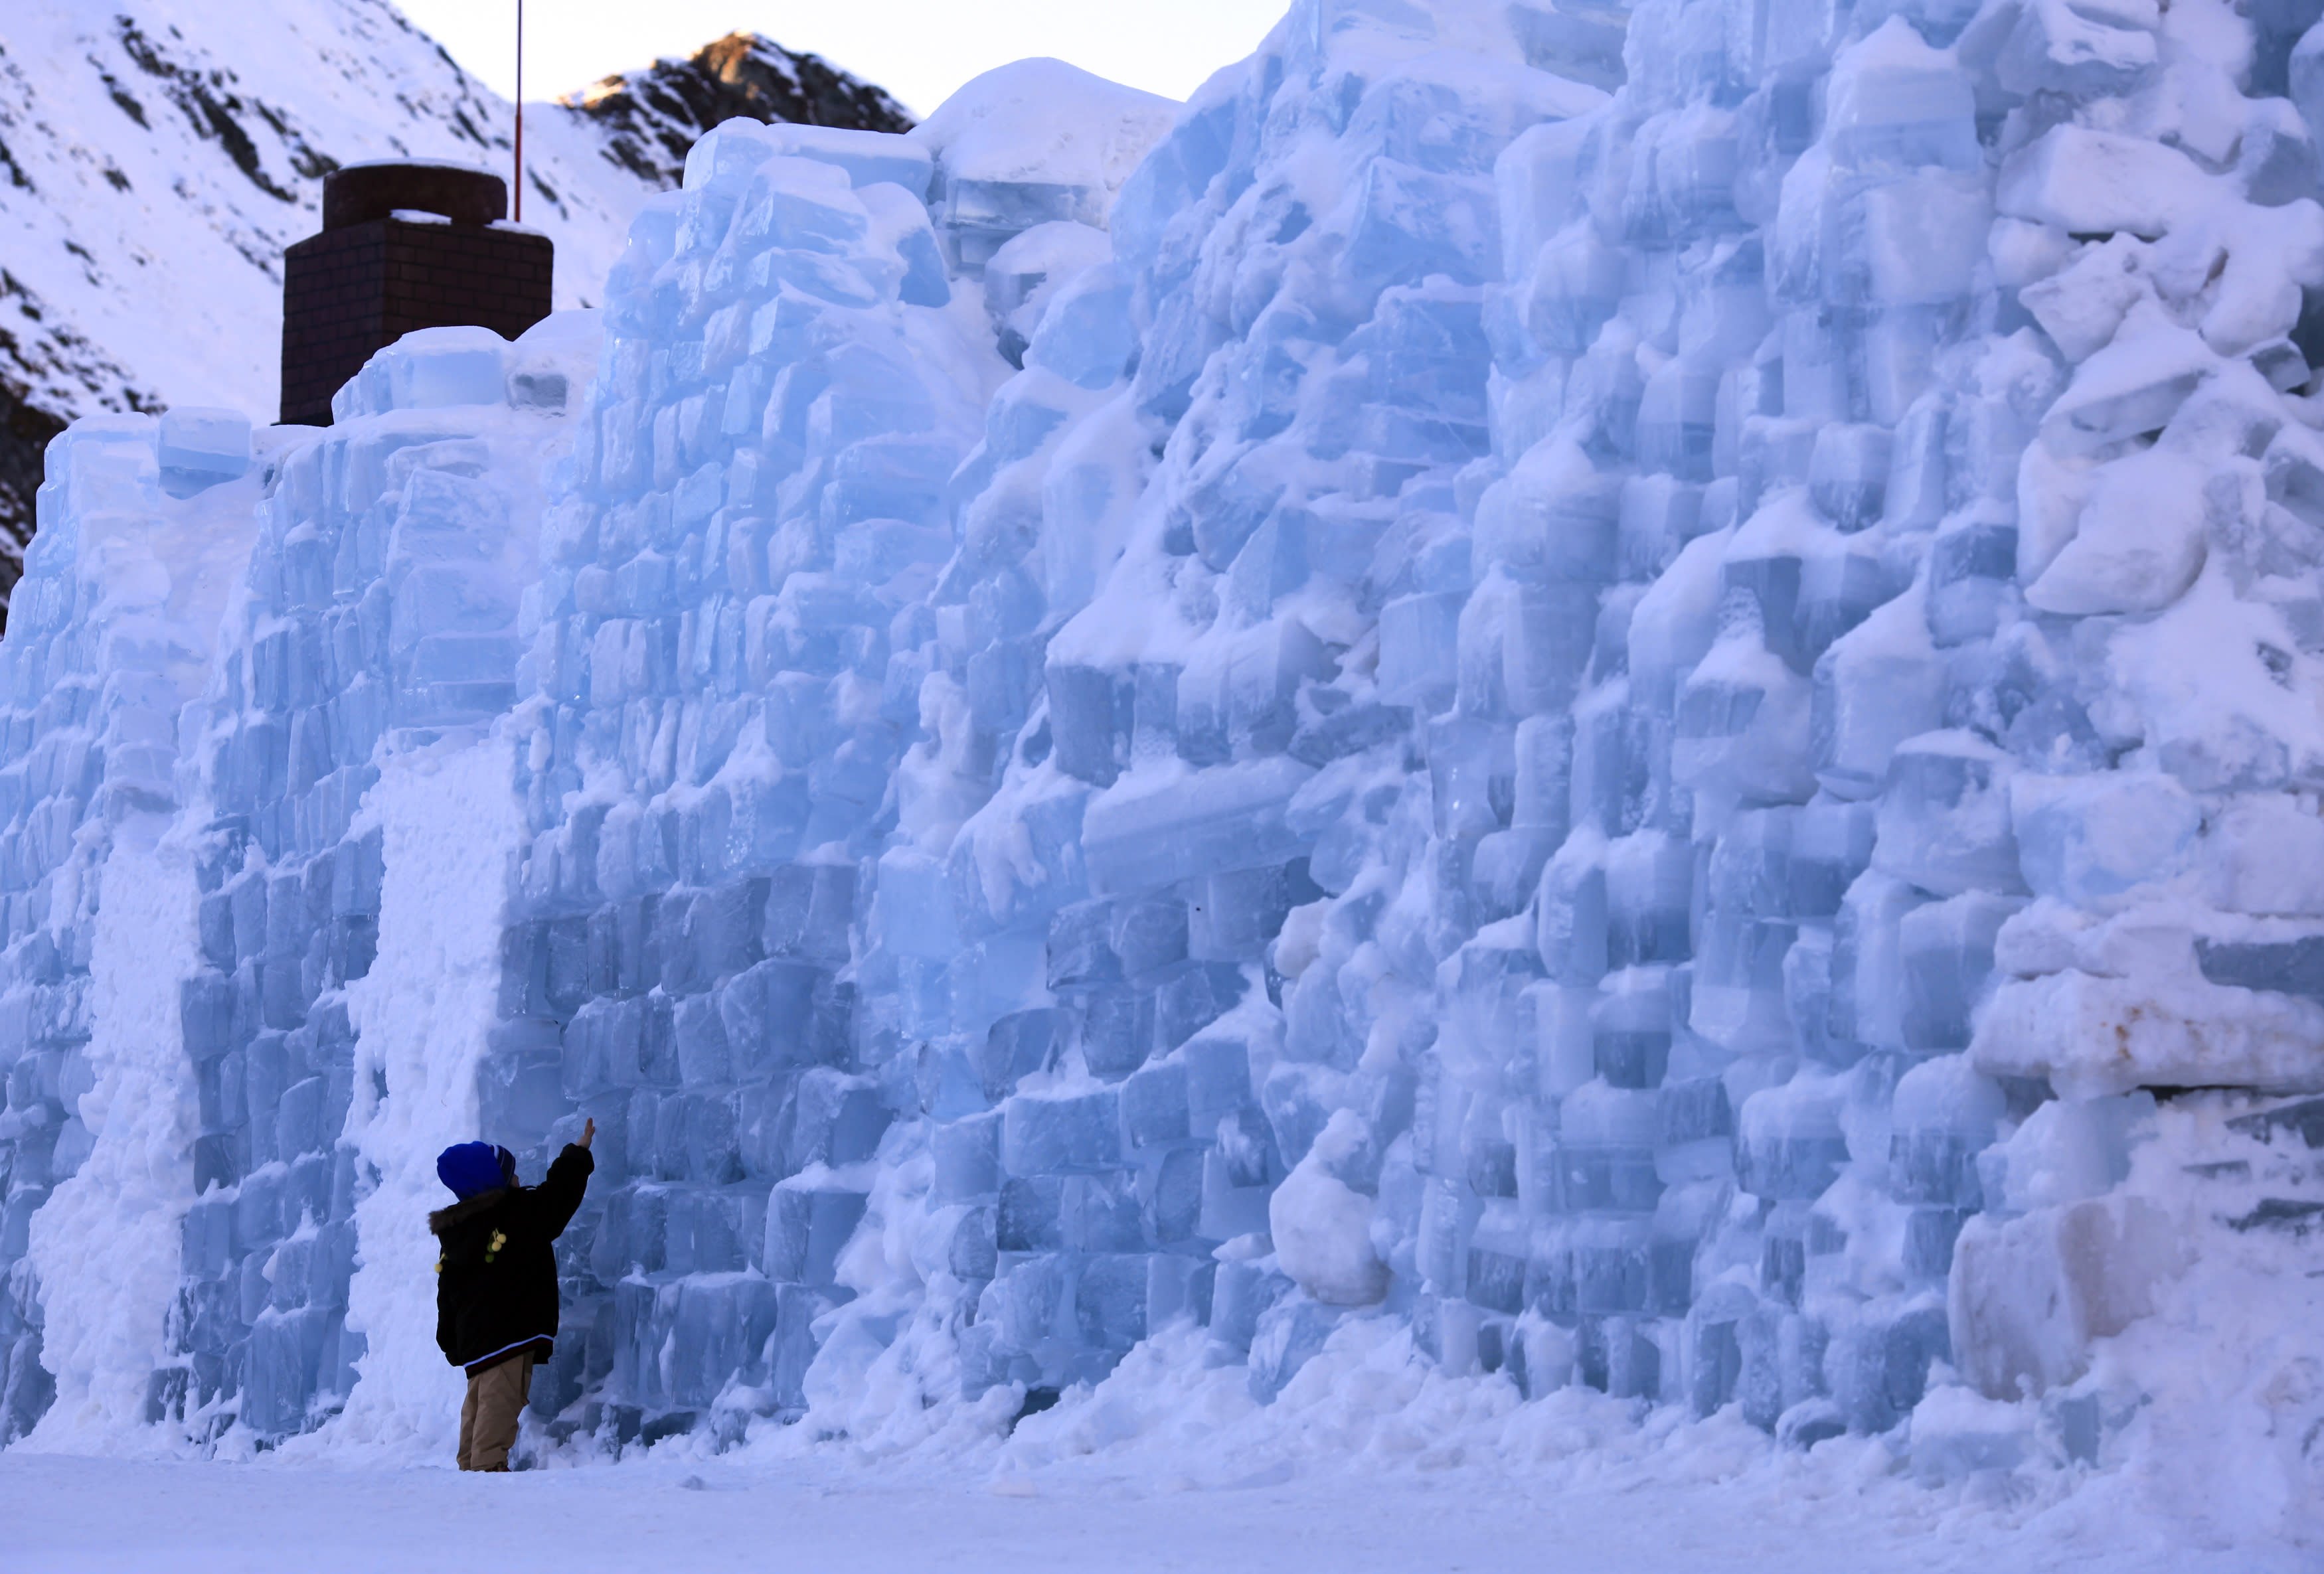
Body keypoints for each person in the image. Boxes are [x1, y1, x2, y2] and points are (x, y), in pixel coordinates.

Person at [430, 1118, 595, 1471]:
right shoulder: (513, 1214)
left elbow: (448, 1294)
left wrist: (451, 1342)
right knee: (501, 1402)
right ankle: (487, 1470)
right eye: (513, 1177)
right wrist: (577, 1154)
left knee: (479, 1404)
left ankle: (470, 1466)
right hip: (507, 1334)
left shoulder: (457, 1233)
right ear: (495, 1185)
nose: (519, 1181)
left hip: (478, 1343)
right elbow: (556, 1198)